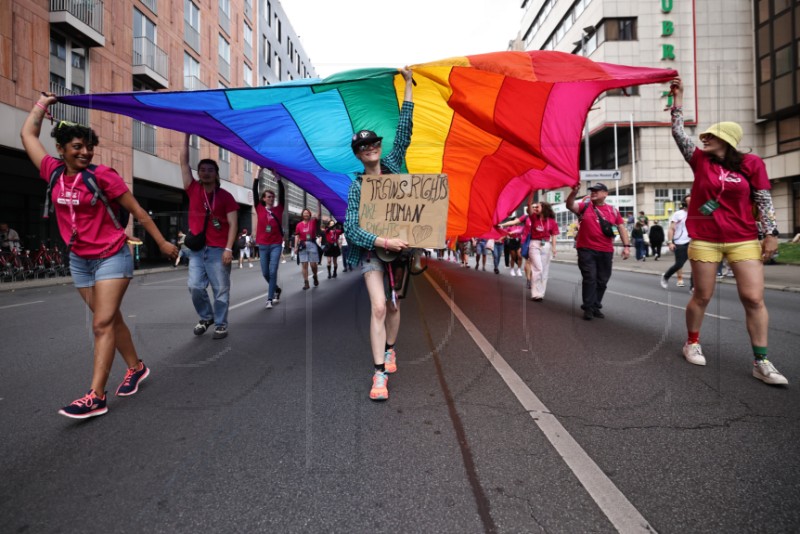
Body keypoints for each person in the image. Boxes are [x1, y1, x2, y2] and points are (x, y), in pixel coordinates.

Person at [21, 93, 178, 418]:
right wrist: (42, 105)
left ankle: (96, 396)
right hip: (79, 259)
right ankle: (136, 367)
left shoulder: (102, 175)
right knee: (111, 318)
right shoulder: (51, 171)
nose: (84, 152)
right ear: (61, 150)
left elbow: (138, 212)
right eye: (77, 147)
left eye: (88, 147)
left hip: (112, 254)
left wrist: (162, 243)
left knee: (101, 323)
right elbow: (27, 135)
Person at [669, 78, 787, 385]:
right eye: (705, 135)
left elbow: (763, 199)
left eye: (711, 136)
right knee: (702, 296)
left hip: (744, 239)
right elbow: (679, 133)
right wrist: (678, 99)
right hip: (705, 240)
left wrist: (770, 233)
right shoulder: (699, 161)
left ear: (727, 140)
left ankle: (761, 361)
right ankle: (691, 342)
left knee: (753, 298)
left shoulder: (752, 163)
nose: (704, 139)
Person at [343, 67, 413, 401]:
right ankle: (378, 375)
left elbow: (404, 132)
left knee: (395, 307)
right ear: (358, 154)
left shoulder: (396, 164)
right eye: (363, 146)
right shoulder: (356, 186)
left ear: (379, 147)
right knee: (379, 307)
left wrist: (409, 88)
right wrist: (382, 241)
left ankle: (390, 349)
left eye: (373, 143)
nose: (369, 148)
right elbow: (351, 228)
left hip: (401, 253)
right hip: (373, 252)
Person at [180, 134, 238, 340]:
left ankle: (221, 324)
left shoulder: (226, 197)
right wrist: (186, 137)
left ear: (216, 174)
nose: (206, 173)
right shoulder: (193, 188)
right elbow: (183, 163)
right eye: (202, 170)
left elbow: (233, 224)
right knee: (195, 286)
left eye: (210, 170)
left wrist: (229, 249)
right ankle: (206, 317)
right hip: (197, 249)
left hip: (219, 250)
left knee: (220, 290)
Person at [565, 182, 631, 320]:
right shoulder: (585, 206)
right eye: (592, 191)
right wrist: (574, 192)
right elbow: (570, 205)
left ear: (606, 194)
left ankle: (596, 305)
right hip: (586, 249)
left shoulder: (613, 210)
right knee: (590, 278)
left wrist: (626, 246)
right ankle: (588, 307)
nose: (593, 192)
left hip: (606, 251)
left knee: (602, 280)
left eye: (597, 190)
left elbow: (621, 228)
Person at [253, 173, 285, 309]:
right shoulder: (259, 208)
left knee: (272, 272)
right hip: (263, 245)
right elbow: (254, 189)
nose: (271, 198)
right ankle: (277, 289)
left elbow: (282, 192)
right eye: (268, 197)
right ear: (263, 199)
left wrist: (278, 179)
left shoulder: (279, 209)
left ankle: (269, 299)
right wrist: (257, 173)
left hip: (276, 244)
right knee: (265, 273)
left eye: (273, 197)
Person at [660, 195, 692, 288]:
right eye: (689, 201)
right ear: (684, 203)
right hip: (681, 242)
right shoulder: (678, 214)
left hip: (694, 242)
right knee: (679, 264)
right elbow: (671, 229)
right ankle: (666, 276)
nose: (691, 203)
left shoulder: (698, 212)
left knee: (695, 266)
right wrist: (670, 242)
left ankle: (693, 287)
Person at [294, 204, 322, 289]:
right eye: (304, 213)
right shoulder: (298, 225)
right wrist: (295, 247)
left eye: (307, 213)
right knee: (304, 265)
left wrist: (319, 204)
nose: (306, 214)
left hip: (312, 244)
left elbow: (319, 215)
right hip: (303, 245)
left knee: (313, 265)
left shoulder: (313, 222)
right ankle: (306, 283)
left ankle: (315, 275)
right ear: (302, 215)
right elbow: (297, 236)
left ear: (309, 214)